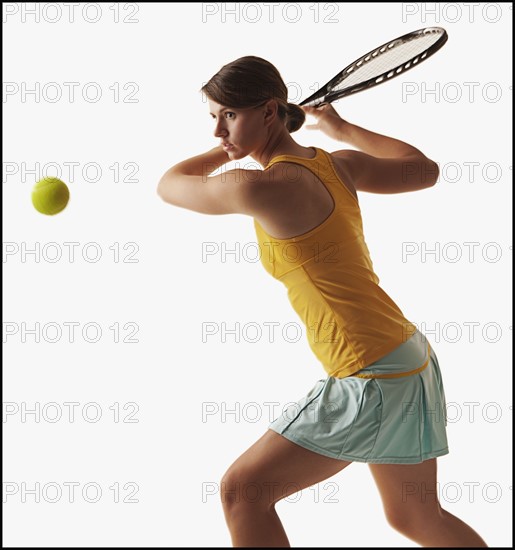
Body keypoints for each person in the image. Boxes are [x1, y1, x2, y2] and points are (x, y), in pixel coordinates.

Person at [157, 56, 488, 548]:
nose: (217, 132)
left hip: (372, 373)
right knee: (416, 517)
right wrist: (341, 128)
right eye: (213, 117)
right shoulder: (337, 164)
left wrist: (230, 154)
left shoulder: (262, 187)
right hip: (408, 357)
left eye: (229, 115)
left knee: (242, 493)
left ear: (270, 111)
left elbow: (169, 185)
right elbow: (424, 169)